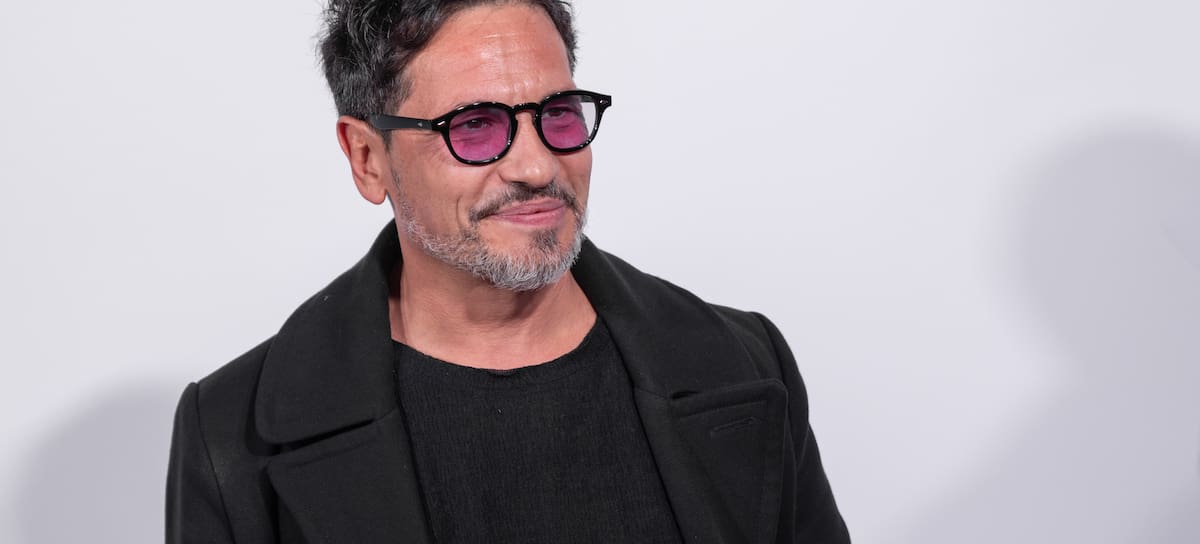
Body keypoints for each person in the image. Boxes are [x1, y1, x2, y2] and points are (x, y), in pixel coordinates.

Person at [165, 1, 850, 542]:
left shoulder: (746, 365)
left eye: (557, 114)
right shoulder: (230, 432)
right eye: (475, 126)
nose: (536, 165)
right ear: (368, 159)